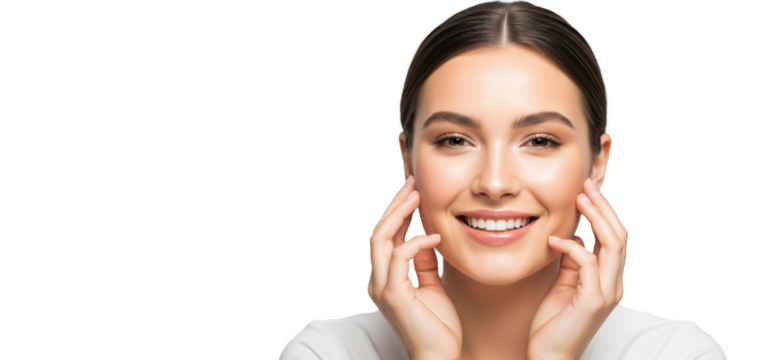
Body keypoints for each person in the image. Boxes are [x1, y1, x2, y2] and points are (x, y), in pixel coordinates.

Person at [278, 0, 729, 359]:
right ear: (407, 159)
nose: (494, 184)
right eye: (455, 140)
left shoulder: (678, 353)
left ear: (598, 162)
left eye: (540, 141)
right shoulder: (325, 352)